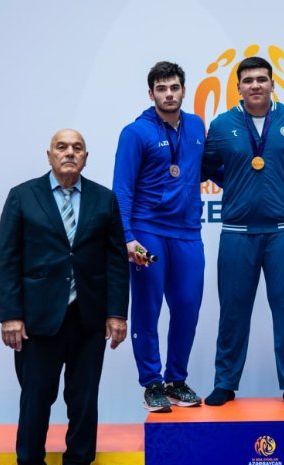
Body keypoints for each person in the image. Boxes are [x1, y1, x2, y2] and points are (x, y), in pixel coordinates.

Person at [0, 129, 129, 465]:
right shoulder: (23, 196)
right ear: (49, 155)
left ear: (85, 157)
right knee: (36, 396)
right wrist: (11, 315)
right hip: (38, 319)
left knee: (84, 397)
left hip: (89, 317)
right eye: (62, 147)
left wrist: (117, 313)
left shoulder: (104, 199)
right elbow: (7, 260)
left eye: (77, 148)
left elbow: (116, 262)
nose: (70, 152)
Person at [201, 56, 284, 407]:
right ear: (238, 88)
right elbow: (207, 166)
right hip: (237, 231)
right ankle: (225, 382)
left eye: (262, 79)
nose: (255, 86)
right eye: (248, 81)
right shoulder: (222, 125)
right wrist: (236, 182)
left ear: (273, 84)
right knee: (232, 312)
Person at [113, 61, 206, 413]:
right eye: (162, 89)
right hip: (148, 231)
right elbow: (122, 189)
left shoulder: (196, 126)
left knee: (187, 307)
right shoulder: (135, 133)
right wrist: (127, 236)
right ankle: (152, 383)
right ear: (151, 93)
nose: (169, 94)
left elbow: (209, 167)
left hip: (188, 233)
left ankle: (176, 380)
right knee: (147, 309)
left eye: (174, 88)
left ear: (184, 90)